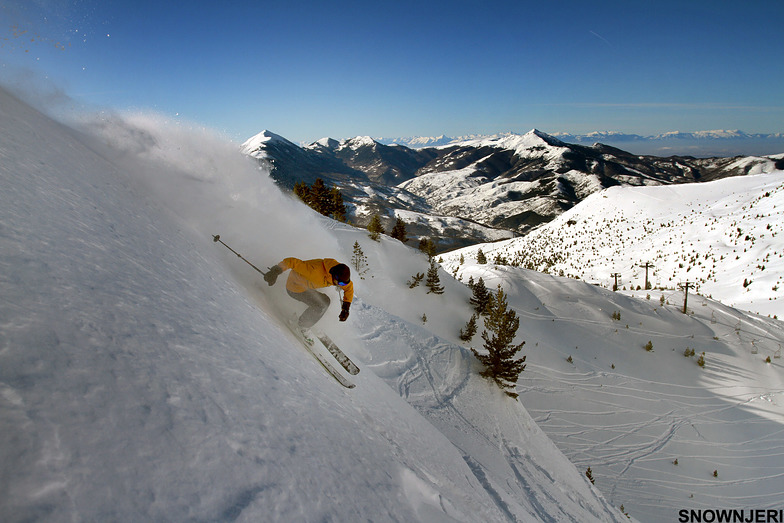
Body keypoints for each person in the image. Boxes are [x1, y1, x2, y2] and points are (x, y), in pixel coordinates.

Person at [264, 257, 352, 329]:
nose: (342, 285)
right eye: (340, 283)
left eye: (343, 283)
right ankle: (302, 326)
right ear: (334, 276)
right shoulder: (313, 271)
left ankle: (304, 319)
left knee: (324, 301)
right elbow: (291, 262)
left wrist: (346, 308)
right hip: (294, 288)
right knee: (322, 304)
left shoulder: (336, 273)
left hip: (307, 286)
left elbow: (349, 288)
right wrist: (275, 272)